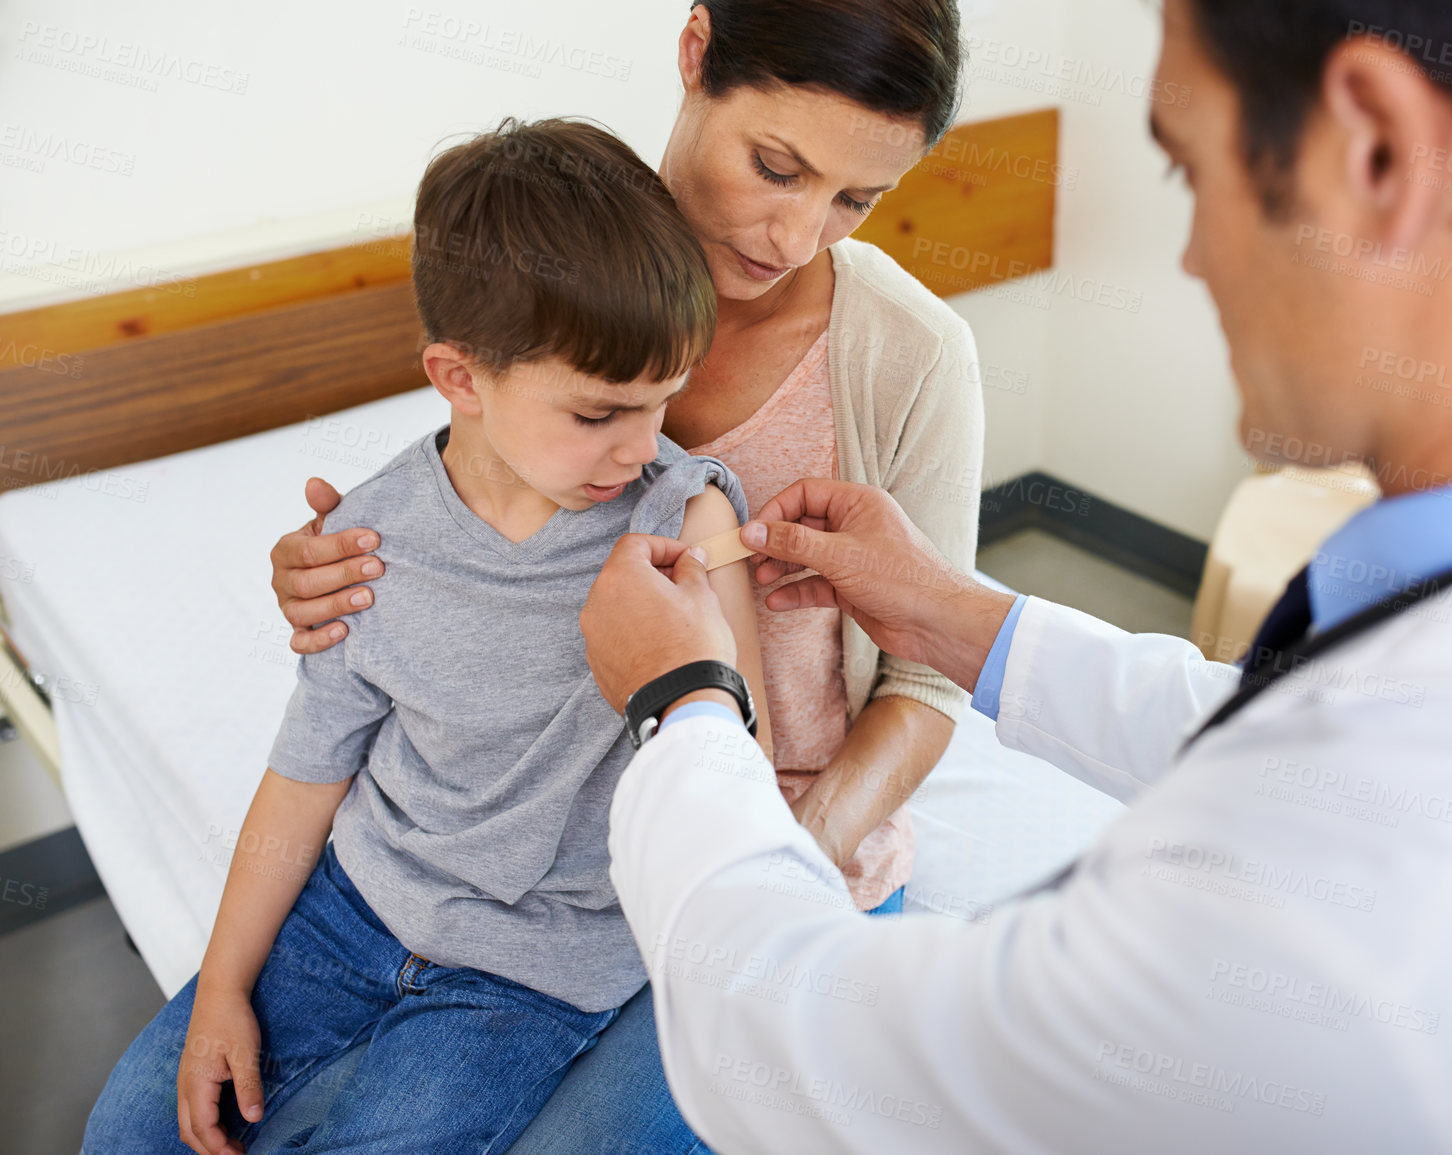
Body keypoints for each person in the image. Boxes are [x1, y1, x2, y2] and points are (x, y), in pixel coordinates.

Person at [577, 0, 1452, 1150]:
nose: (1190, 257)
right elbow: (1276, 729)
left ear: (1376, 152)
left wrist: (685, 709)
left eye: (1192, 178)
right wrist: (957, 616)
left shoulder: (1359, 929)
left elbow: (799, 1052)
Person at [264, 4, 974, 1146]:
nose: (798, 235)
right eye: (777, 167)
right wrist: (327, 571)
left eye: (854, 200)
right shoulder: (555, 257)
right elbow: (475, 508)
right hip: (537, 853)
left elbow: (930, 683)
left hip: (772, 840)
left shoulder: (912, 354)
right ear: (697, 54)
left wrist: (775, 862)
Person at [85, 118, 767, 1155]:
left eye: (665, 401)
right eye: (598, 414)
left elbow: (736, 759)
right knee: (130, 1131)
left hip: (535, 968)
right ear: (459, 379)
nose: (642, 449)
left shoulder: (682, 521)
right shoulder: (368, 538)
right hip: (351, 911)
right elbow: (307, 771)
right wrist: (223, 984)